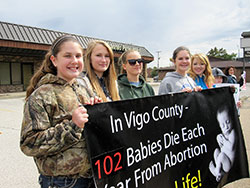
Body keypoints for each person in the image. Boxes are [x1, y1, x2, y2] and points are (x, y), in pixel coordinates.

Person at [20, 35, 98, 188]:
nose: (74, 61)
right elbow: (29, 144)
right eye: (67, 56)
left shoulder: (85, 90)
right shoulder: (41, 95)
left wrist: (97, 111)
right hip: (62, 182)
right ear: (54, 60)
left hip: (92, 177)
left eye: (78, 56)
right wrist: (72, 125)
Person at [209, 106, 236, 182]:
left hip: (228, 164)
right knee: (216, 151)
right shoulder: (224, 134)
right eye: (223, 125)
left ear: (231, 120)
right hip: (223, 161)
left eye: (227, 122)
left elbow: (231, 147)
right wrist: (219, 138)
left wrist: (223, 140)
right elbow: (221, 146)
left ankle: (217, 172)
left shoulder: (232, 133)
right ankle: (218, 171)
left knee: (221, 155)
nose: (226, 127)